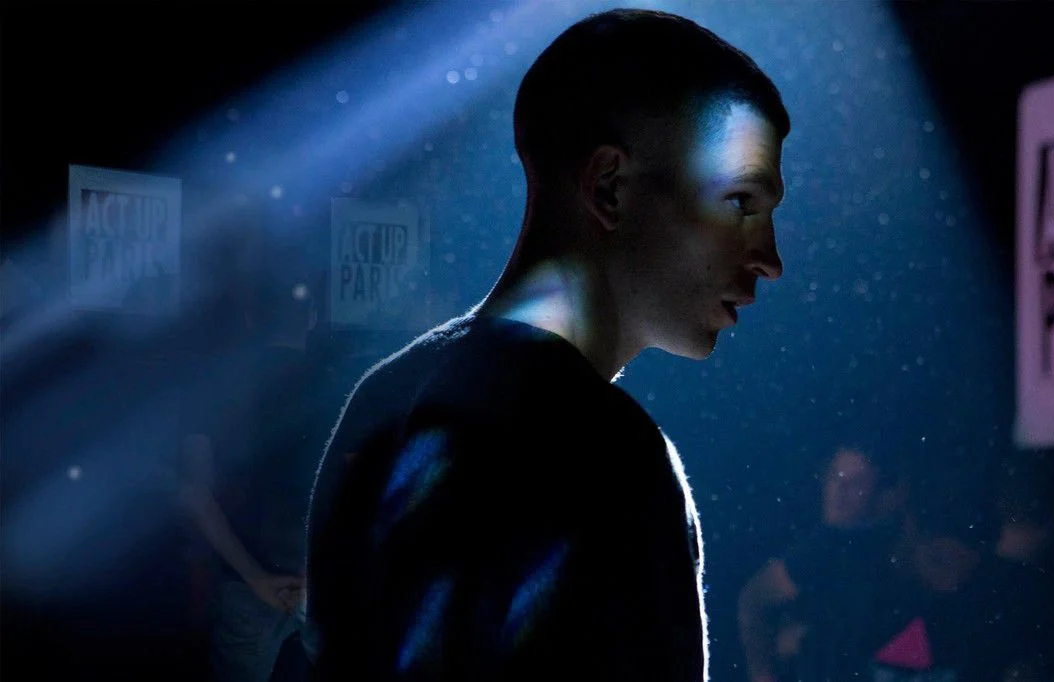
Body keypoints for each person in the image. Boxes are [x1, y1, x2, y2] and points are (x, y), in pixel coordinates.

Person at [306, 8, 788, 681]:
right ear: (610, 188)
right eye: (740, 203)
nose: (770, 259)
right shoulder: (607, 454)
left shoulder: (384, 396)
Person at [180, 269, 331, 682]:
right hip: (316, 584)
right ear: (314, 315)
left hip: (251, 583)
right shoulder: (336, 386)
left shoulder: (218, 394)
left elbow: (196, 495)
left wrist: (255, 577)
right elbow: (355, 489)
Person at [737, 446, 908, 682]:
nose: (839, 491)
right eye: (834, 477)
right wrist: (763, 674)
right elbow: (754, 599)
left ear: (888, 495)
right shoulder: (820, 548)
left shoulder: (901, 549)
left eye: (856, 483)